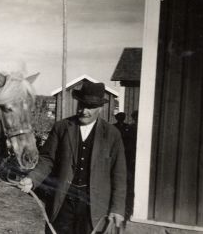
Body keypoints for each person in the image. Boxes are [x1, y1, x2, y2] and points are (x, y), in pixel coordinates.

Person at [19, 81, 126, 234]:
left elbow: (119, 175)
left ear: (100, 108)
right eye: (82, 105)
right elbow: (47, 159)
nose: (84, 111)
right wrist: (32, 179)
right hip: (63, 200)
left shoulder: (112, 134)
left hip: (94, 206)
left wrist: (117, 208)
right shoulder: (61, 127)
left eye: (91, 107)